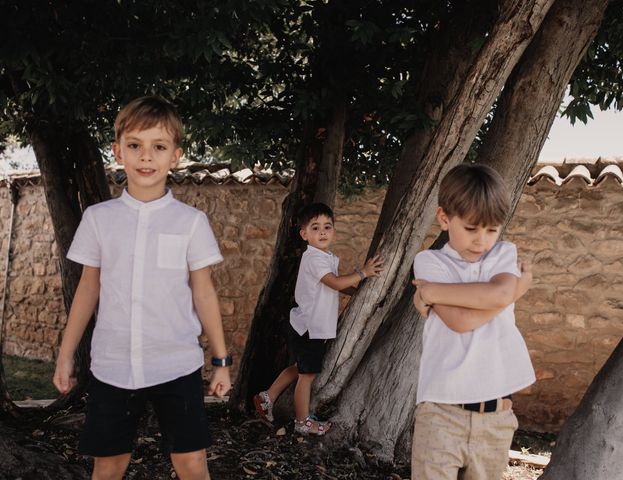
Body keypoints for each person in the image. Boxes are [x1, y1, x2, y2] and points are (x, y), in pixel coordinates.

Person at [52, 96, 231, 480]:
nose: (146, 157)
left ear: (175, 156)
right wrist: (66, 354)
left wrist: (220, 361)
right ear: (118, 152)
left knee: (191, 462)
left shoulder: (191, 222)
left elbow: (204, 293)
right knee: (110, 464)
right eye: (135, 145)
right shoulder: (99, 219)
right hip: (112, 365)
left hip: (176, 363)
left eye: (159, 147)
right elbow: (87, 289)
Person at [411, 163, 535, 480]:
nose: (482, 240)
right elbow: (461, 321)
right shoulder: (430, 261)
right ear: (444, 218)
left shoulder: (504, 254)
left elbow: (499, 293)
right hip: (440, 411)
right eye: (471, 229)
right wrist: (510, 293)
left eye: (491, 230)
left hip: (496, 416)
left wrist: (434, 292)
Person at [253, 202, 384, 435]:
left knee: (299, 368)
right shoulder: (314, 258)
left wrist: (354, 292)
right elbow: (333, 282)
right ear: (304, 234)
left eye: (327, 226)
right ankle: (302, 422)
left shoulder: (325, 256)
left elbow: (332, 285)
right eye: (315, 228)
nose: (322, 232)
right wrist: (362, 273)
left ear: (334, 230)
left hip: (308, 326)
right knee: (307, 375)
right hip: (309, 327)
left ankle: (267, 397)